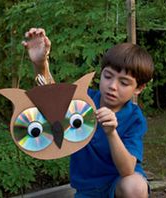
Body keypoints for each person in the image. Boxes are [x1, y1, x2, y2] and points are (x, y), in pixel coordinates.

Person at [22, 28, 154, 198]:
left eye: (124, 82)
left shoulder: (134, 118)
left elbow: (127, 170)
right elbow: (51, 100)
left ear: (139, 88)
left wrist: (111, 132)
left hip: (118, 186)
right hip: (86, 190)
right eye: (108, 76)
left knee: (135, 186)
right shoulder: (83, 100)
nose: (113, 86)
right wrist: (40, 65)